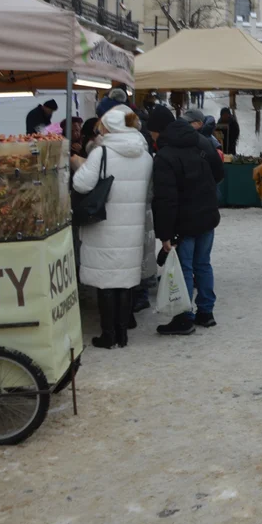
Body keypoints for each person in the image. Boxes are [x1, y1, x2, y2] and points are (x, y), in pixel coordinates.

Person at [71, 107, 153, 349]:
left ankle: (108, 335)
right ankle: (123, 332)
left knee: (106, 280)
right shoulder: (146, 156)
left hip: (104, 225)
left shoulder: (101, 153)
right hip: (132, 226)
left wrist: (78, 164)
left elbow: (82, 185)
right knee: (125, 278)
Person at [150, 109, 224, 335]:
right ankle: (206, 312)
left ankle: (184, 317)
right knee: (203, 264)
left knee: (184, 267)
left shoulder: (165, 156)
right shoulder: (202, 142)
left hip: (185, 220)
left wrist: (164, 234)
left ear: (158, 131)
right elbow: (219, 172)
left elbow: (166, 199)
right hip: (207, 214)